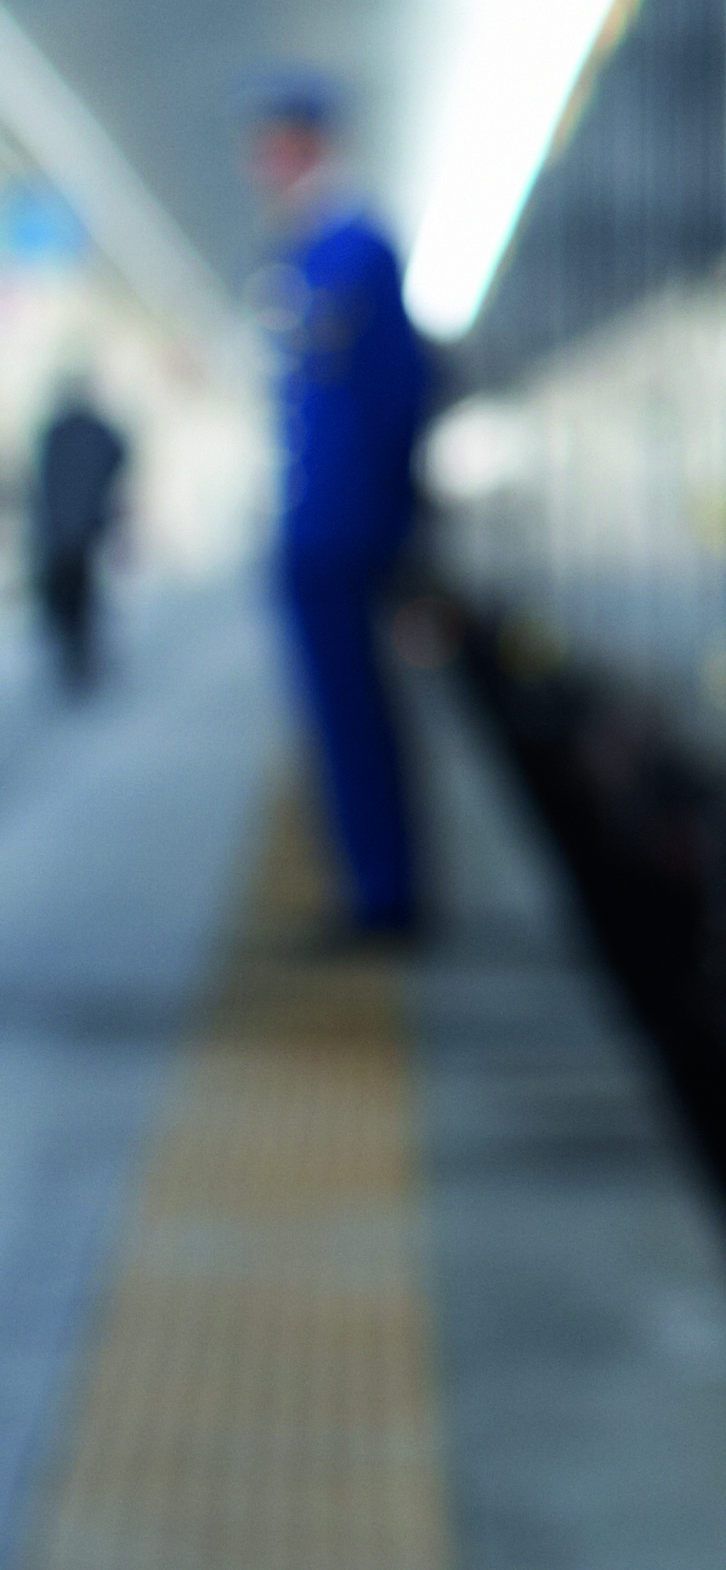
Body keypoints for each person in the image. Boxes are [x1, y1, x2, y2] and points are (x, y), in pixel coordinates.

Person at [251, 77, 427, 941]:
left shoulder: (357, 250)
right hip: (315, 525)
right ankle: (367, 884)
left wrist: (390, 523)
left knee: (353, 717)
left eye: (276, 142)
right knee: (335, 717)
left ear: (312, 144)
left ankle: (384, 895)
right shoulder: (303, 252)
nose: (261, 163)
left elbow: (398, 395)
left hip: (345, 529)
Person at [27, 367, 125, 692]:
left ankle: (77, 662)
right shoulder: (92, 431)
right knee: (77, 598)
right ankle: (80, 661)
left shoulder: (55, 433)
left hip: (62, 530)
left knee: (71, 599)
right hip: (79, 528)